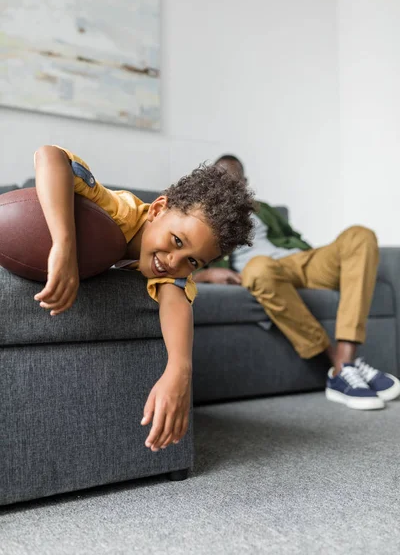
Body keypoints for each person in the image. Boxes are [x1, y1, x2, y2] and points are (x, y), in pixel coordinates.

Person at [33, 145, 255, 452]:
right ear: (157, 209)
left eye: (193, 262)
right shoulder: (119, 212)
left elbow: (175, 296)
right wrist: (64, 244)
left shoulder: (171, 268)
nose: (175, 261)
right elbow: (50, 155)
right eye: (177, 241)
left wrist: (179, 370)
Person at [195, 154, 400, 410]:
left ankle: (345, 362)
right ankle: (342, 367)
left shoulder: (263, 208)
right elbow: (185, 262)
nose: (228, 185)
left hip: (301, 261)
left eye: (235, 179)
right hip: (261, 271)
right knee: (258, 268)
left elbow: (294, 237)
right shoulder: (205, 216)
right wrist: (206, 275)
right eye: (221, 179)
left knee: (360, 235)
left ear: (245, 182)